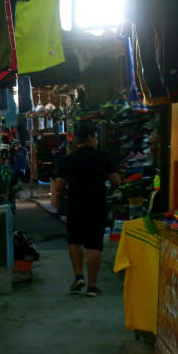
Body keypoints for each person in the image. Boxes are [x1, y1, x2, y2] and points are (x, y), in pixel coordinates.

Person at [54, 122, 120, 296]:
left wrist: (68, 193)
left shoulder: (69, 159)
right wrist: (108, 190)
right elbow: (116, 181)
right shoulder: (102, 157)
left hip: (75, 205)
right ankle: (92, 286)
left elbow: (59, 186)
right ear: (91, 137)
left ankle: (78, 277)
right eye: (96, 137)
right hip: (96, 205)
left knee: (74, 241)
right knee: (94, 244)